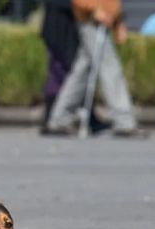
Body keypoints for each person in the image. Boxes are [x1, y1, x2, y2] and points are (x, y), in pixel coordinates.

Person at [46, 0, 148, 138]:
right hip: (92, 21)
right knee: (110, 69)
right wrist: (94, 9)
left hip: (98, 20)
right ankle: (124, 122)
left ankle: (59, 118)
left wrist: (118, 21)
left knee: (82, 71)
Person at [41, 0, 110, 135]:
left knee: (74, 70)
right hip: (60, 24)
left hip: (66, 22)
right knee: (64, 70)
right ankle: (54, 116)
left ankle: (77, 116)